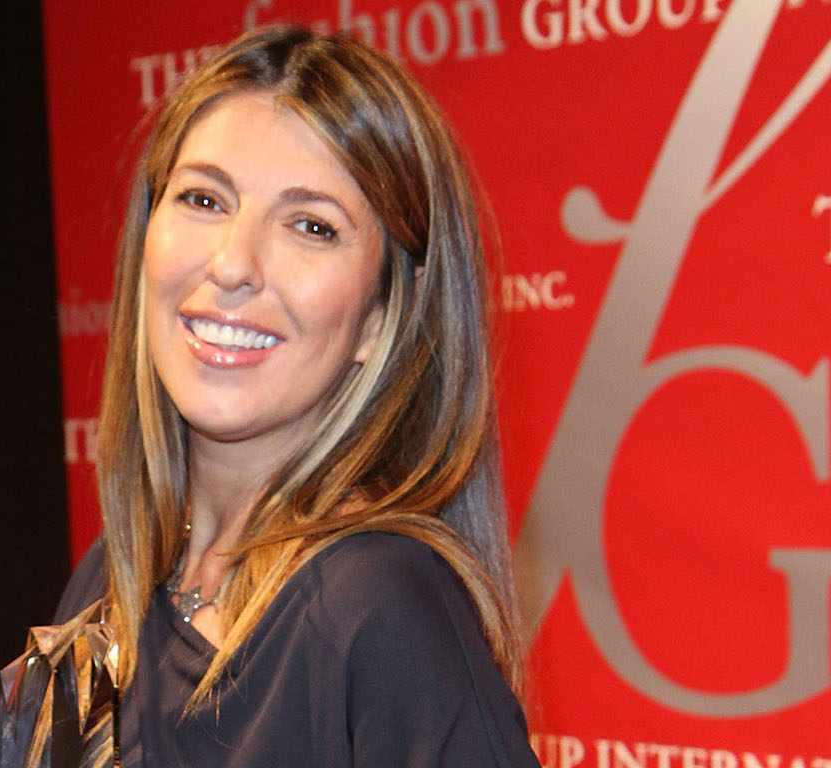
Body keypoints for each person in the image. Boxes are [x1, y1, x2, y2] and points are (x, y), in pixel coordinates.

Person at [49, 25, 540, 768]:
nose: (233, 264)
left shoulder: (379, 611)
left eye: (311, 225)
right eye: (205, 199)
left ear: (381, 317)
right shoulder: (112, 579)